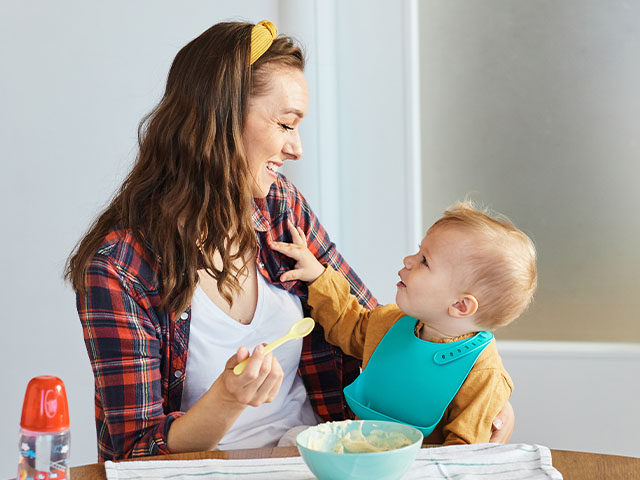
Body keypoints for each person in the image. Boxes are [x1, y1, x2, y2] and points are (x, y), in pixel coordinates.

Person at [65, 21, 514, 461]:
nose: (297, 148)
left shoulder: (279, 208)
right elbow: (134, 452)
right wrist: (228, 398)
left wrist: (473, 402)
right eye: (285, 124)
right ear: (217, 121)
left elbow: (374, 330)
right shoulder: (120, 268)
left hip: (326, 460)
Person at [273, 201, 537, 445]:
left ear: (460, 305)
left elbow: (463, 452)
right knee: (295, 440)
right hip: (361, 456)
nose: (408, 261)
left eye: (424, 261)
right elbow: (347, 323)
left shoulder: (483, 375)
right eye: (418, 252)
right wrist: (318, 275)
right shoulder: (390, 323)